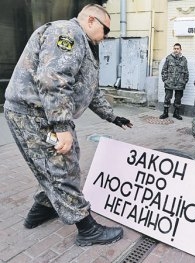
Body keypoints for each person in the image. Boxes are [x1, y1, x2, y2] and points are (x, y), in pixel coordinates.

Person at [4, 4, 133, 247]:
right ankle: (87, 229)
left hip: (42, 114)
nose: (105, 38)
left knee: (54, 166)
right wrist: (62, 126)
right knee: (63, 168)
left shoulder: (82, 42)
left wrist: (113, 117)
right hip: (36, 115)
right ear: (92, 20)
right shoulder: (68, 34)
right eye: (106, 31)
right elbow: (54, 79)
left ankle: (42, 210)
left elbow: (90, 91)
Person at [159, 43, 189, 120]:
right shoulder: (169, 58)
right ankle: (165, 113)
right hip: (169, 83)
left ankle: (176, 113)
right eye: (175, 48)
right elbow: (164, 70)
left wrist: (184, 81)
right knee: (167, 98)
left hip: (180, 83)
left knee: (178, 99)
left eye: (177, 49)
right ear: (173, 49)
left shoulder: (184, 59)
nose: (176, 50)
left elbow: (186, 72)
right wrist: (165, 80)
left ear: (180, 50)